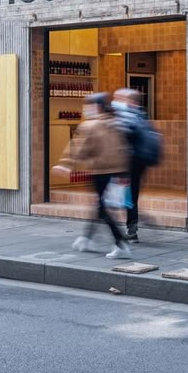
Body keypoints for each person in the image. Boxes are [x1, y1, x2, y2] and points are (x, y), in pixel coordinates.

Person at [66, 92, 132, 259]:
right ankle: (85, 238)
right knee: (100, 205)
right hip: (117, 172)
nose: (85, 109)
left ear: (96, 107)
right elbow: (123, 149)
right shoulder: (116, 123)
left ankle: (120, 242)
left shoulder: (91, 125)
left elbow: (79, 150)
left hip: (100, 172)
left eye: (87, 105)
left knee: (102, 208)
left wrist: (66, 165)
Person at [112, 88, 150, 244]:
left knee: (122, 197)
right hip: (136, 163)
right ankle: (132, 228)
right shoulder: (141, 115)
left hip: (127, 163)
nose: (116, 101)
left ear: (131, 101)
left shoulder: (128, 117)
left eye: (120, 98)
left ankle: (131, 229)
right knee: (130, 196)